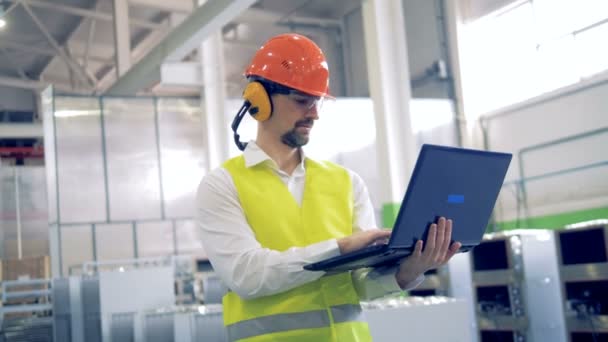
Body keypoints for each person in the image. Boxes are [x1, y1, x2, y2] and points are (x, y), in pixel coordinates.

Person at [196, 33, 462, 342]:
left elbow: (361, 285)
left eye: (318, 101)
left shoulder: (347, 183)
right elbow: (247, 275)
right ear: (258, 100)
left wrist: (410, 270)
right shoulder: (222, 186)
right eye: (301, 101)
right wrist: (341, 247)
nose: (314, 113)